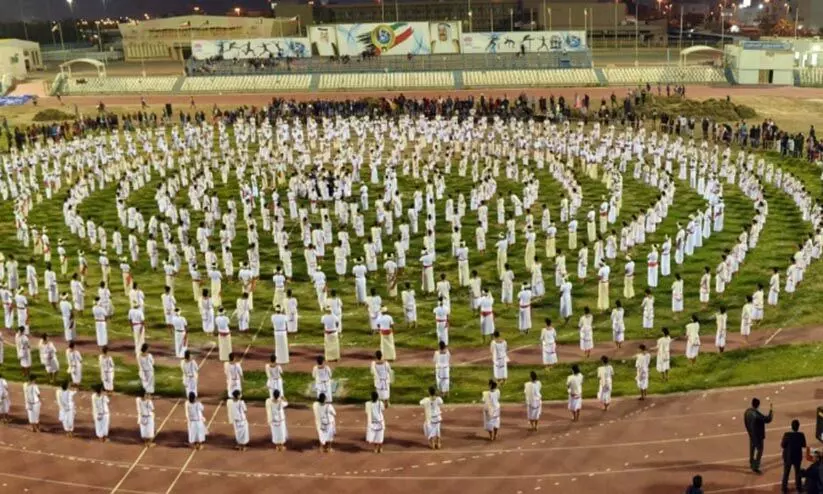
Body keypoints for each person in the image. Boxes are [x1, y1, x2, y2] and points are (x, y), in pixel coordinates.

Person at [744, 397, 774, 473]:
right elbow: (768, 419)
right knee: (760, 450)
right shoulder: (757, 415)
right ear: (758, 405)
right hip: (758, 436)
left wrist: (749, 431)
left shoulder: (747, 412)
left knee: (752, 448)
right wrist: (771, 410)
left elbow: (746, 422)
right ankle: (756, 466)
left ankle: (751, 461)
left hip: (751, 434)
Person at [780, 419, 807, 493]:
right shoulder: (801, 435)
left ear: (791, 427)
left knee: (786, 473)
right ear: (798, 427)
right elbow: (804, 445)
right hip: (797, 457)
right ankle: (799, 488)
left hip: (788, 457)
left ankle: (784, 489)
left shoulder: (787, 435)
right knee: (797, 473)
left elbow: (782, 445)